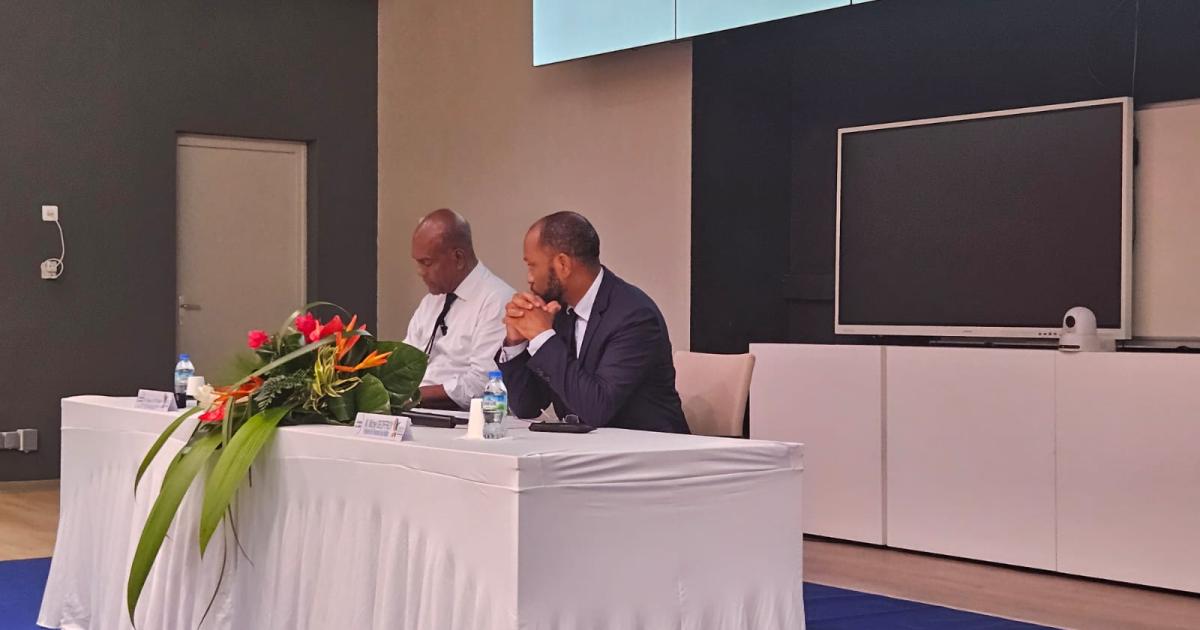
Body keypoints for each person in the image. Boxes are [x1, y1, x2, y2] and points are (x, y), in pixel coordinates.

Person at [498, 211, 689, 433]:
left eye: (532, 266)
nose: (529, 278)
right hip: (589, 447)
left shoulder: (633, 316)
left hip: (652, 448)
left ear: (563, 264)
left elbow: (596, 409)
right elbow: (527, 406)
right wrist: (515, 342)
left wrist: (542, 337)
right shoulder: (559, 312)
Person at [404, 208, 515, 409]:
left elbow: (483, 383)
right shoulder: (431, 302)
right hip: (416, 410)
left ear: (458, 258)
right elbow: (405, 360)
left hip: (463, 418)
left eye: (426, 263)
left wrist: (412, 395)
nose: (420, 272)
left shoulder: (497, 300)